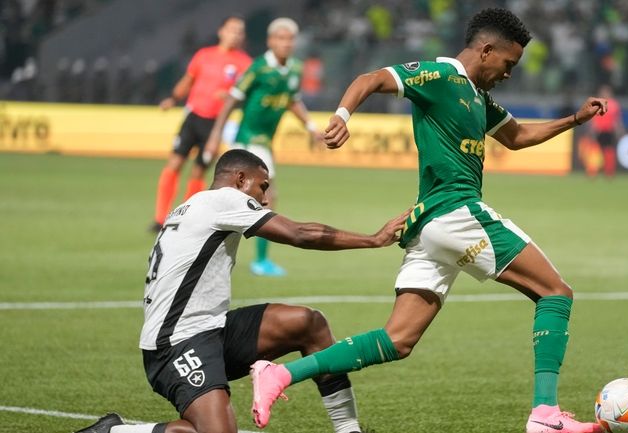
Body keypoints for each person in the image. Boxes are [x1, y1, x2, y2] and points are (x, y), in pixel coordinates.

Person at [250, 9, 607, 433]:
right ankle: (545, 415)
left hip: (429, 229)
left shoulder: (479, 97)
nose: (509, 74)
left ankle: (280, 374)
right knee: (556, 293)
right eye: (508, 64)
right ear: (486, 50)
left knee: (397, 340)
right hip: (456, 212)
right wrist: (342, 117)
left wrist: (574, 120)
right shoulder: (440, 75)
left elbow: (517, 138)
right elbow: (371, 79)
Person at [74, 149, 408, 433]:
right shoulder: (224, 201)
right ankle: (116, 430)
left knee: (309, 323)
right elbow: (299, 234)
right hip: (174, 345)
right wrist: (373, 239)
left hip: (211, 329)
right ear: (239, 180)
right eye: (262, 187)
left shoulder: (195, 205)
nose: (265, 197)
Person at [205, 17, 321, 277]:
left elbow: (293, 101)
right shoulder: (258, 68)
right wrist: (215, 135)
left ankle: (237, 253)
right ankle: (259, 260)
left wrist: (312, 127)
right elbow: (231, 101)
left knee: (238, 200)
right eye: (280, 38)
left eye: (290, 39)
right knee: (265, 198)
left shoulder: (294, 70)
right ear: (270, 41)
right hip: (249, 141)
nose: (285, 43)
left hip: (265, 143)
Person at [149, 16, 252, 232]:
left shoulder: (245, 63)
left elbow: (246, 96)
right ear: (221, 31)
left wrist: (234, 98)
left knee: (198, 172)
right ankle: (160, 217)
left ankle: (184, 217)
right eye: (232, 29)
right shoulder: (204, 55)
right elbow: (188, 81)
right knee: (174, 163)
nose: (236, 34)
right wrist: (173, 98)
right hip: (193, 117)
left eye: (240, 31)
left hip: (215, 126)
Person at [588, 84, 623, 178]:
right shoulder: (597, 103)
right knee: (596, 152)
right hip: (599, 131)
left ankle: (609, 172)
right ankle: (593, 172)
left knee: (609, 152)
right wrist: (592, 130)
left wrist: (619, 131)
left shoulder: (614, 104)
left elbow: (616, 120)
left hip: (608, 131)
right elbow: (593, 119)